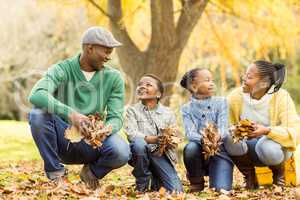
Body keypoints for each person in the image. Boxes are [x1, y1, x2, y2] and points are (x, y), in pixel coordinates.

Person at [28, 26, 131, 190]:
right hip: (63, 139)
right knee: (38, 113)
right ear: (89, 48)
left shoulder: (114, 78)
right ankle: (56, 174)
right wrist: (71, 114)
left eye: (110, 52)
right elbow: (36, 94)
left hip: (93, 142)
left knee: (122, 151)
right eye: (105, 51)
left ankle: (91, 173)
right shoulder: (62, 69)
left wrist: (106, 129)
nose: (108, 57)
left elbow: (116, 117)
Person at [224, 60, 300, 189]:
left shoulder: (281, 97)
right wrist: (237, 130)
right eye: (245, 75)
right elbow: (226, 125)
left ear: (264, 83)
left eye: (249, 77)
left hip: (277, 151)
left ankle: (279, 174)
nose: (244, 79)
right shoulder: (235, 97)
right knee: (228, 136)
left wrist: (267, 131)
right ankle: (250, 177)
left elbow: (295, 130)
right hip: (247, 151)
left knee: (265, 145)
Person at [124, 74, 183, 193]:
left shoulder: (168, 113)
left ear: (158, 94)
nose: (142, 87)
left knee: (176, 191)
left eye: (148, 85)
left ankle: (155, 177)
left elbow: (175, 139)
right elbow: (131, 134)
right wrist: (154, 139)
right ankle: (142, 181)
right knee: (138, 144)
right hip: (141, 153)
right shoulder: (132, 111)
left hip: (161, 156)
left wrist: (170, 139)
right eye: (140, 84)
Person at [180, 68, 233, 192]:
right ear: (193, 86)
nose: (212, 83)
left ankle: (218, 173)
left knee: (220, 189)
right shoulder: (186, 109)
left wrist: (215, 139)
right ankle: (196, 180)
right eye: (207, 80)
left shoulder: (221, 102)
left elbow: (223, 128)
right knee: (190, 148)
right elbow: (190, 133)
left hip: (219, 151)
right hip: (199, 150)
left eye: (212, 80)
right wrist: (206, 141)